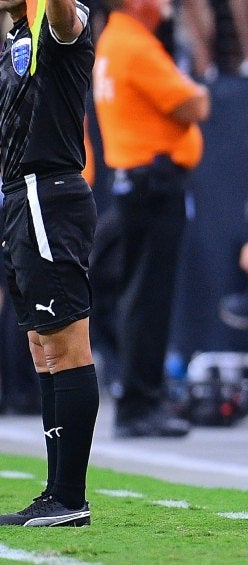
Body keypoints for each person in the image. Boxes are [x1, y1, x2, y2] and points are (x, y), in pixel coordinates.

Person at [93, 0, 210, 439]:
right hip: (154, 182)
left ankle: (139, 395)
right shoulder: (136, 44)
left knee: (137, 293)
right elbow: (193, 105)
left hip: (135, 181)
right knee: (149, 297)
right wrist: (197, 92)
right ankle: (141, 403)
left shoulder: (114, 39)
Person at [0, 0, 97, 527]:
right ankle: (55, 494)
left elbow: (63, 16)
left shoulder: (57, 22)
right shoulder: (15, 35)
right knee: (42, 349)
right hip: (19, 198)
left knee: (65, 347)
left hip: (48, 193)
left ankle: (70, 498)